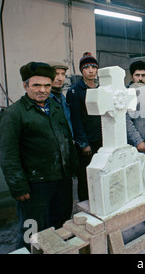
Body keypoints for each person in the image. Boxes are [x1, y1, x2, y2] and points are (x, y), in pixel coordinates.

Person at [0, 62, 77, 250]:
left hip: (61, 180)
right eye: (36, 85)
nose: (43, 90)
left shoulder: (55, 108)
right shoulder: (14, 114)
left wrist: (71, 169)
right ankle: (25, 251)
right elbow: (7, 154)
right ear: (25, 86)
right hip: (34, 186)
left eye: (47, 85)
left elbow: (66, 138)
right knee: (31, 228)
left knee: (60, 224)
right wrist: (18, 186)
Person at [66, 52, 102, 202]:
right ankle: (84, 204)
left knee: (100, 174)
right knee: (85, 176)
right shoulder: (75, 91)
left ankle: (99, 202)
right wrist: (83, 143)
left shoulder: (101, 88)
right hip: (86, 143)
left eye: (94, 66)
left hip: (100, 139)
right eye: (87, 67)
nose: (91, 70)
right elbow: (76, 119)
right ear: (82, 70)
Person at [48, 62, 73, 134]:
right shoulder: (44, 100)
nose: (60, 78)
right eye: (56, 74)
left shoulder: (62, 97)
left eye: (63, 74)